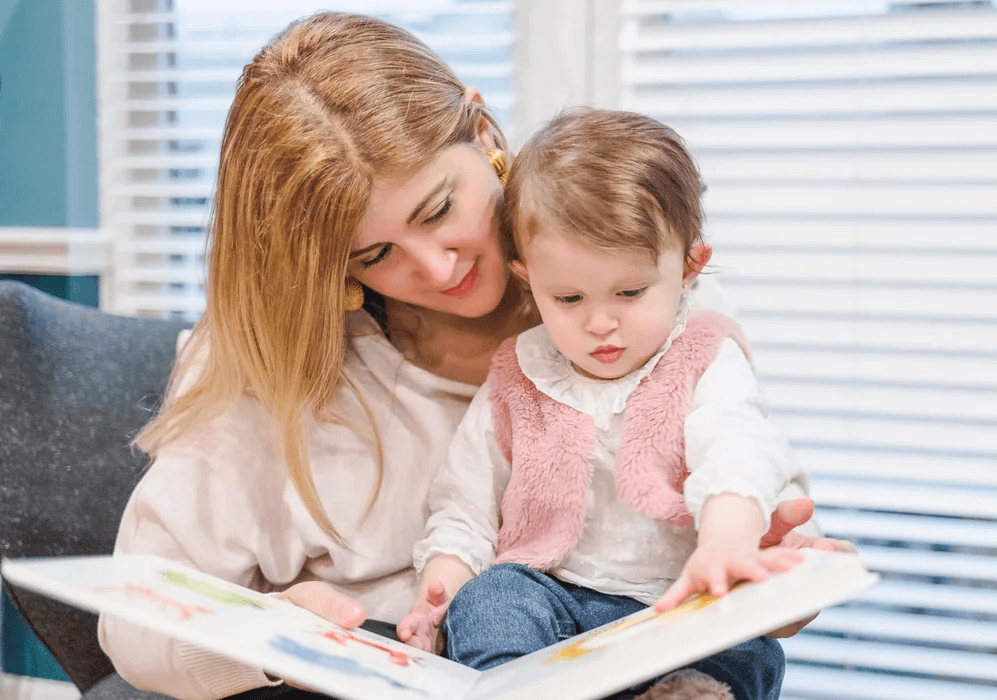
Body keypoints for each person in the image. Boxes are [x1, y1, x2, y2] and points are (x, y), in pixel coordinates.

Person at [97, 12, 849, 700]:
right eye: (376, 253)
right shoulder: (267, 375)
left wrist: (770, 582)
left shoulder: (656, 309)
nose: (435, 267)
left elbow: (757, 501)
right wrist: (273, 633)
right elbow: (132, 625)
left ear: (484, 135)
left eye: (438, 209)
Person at [398, 108, 808, 700]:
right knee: (491, 597)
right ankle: (514, 687)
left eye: (630, 292)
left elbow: (738, 446)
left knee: (746, 643)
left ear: (691, 267)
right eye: (567, 297)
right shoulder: (520, 373)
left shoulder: (703, 355)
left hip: (675, 599)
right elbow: (466, 503)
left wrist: (725, 541)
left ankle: (692, 693)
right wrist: (441, 583)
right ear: (526, 278)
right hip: (555, 594)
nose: (599, 323)